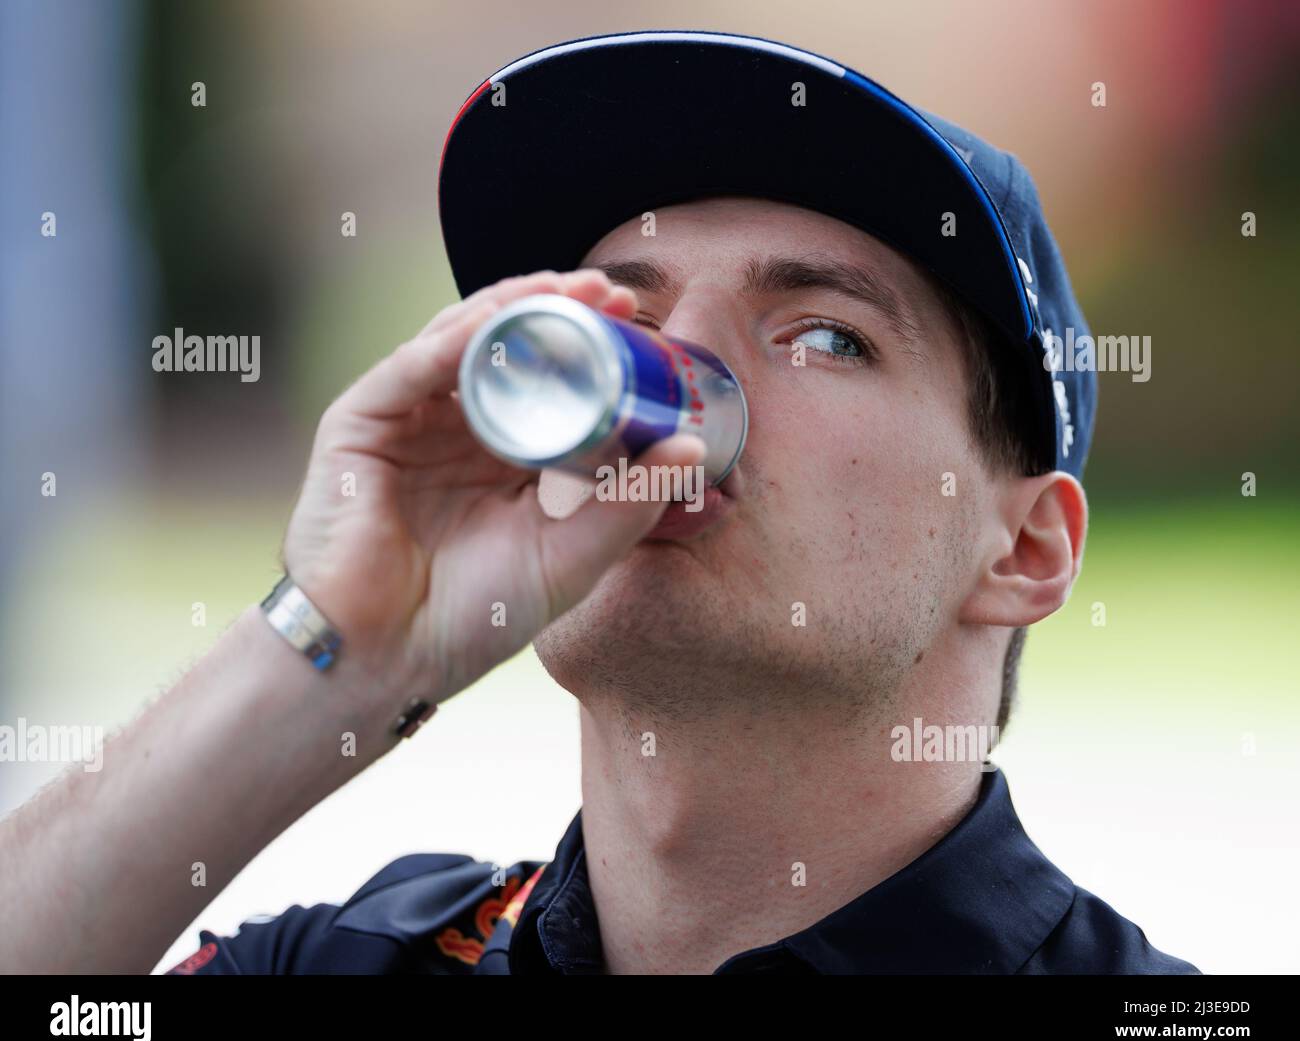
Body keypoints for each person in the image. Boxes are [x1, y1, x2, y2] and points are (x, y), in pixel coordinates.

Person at [0, 30, 1198, 975]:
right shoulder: (356, 962)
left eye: (826, 335)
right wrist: (337, 651)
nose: (682, 373)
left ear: (1026, 549)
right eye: (616, 322)